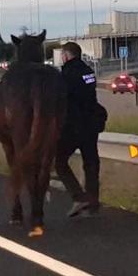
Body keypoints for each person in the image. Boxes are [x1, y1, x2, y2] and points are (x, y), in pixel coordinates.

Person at [55, 42, 103, 217]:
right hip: (91, 125)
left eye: (63, 55)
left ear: (67, 55)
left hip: (73, 126)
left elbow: (61, 100)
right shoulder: (89, 72)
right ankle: (93, 203)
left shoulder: (65, 74)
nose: (62, 58)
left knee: (59, 161)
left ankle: (78, 196)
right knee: (91, 163)